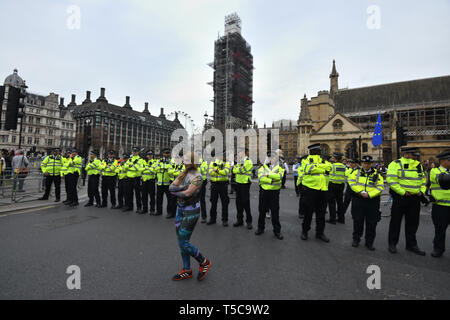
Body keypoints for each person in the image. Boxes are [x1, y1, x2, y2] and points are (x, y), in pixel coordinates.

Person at [169, 151, 212, 281]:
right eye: (184, 159)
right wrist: (182, 189)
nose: (185, 161)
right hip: (180, 209)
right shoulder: (184, 174)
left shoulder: (198, 177)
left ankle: (204, 262)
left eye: (187, 159)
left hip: (191, 211)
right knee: (181, 242)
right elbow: (171, 187)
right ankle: (187, 270)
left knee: (184, 242)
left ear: (194, 161)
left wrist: (179, 190)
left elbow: (187, 194)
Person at [387, 147, 426, 255]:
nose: (416, 157)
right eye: (414, 154)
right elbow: (391, 180)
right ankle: (392, 244)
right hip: (401, 197)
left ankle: (411, 245)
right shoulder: (395, 164)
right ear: (407, 154)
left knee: (413, 223)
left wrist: (421, 191)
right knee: (396, 222)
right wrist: (403, 192)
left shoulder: (418, 164)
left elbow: (423, 180)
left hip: (415, 198)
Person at [348, 155, 384, 250]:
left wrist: (370, 194)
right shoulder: (356, 172)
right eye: (364, 163)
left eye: (368, 163)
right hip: (359, 199)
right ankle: (356, 239)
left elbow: (380, 187)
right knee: (357, 221)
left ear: (371, 164)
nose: (366, 165)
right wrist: (361, 192)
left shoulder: (377, 174)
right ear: (361, 164)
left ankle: (369, 242)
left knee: (372, 223)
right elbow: (351, 183)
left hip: (372, 201)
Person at [299, 144, 332, 242]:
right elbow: (308, 169)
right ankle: (305, 231)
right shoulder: (305, 160)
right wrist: (322, 168)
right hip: (310, 189)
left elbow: (330, 168)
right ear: (313, 151)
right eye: (318, 151)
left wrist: (316, 167)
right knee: (308, 213)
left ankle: (320, 233)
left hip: (323, 189)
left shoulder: (323, 160)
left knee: (321, 213)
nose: (320, 152)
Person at [255, 151, 284, 239]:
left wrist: (267, 175)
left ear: (276, 158)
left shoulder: (280, 167)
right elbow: (260, 178)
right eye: (270, 157)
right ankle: (260, 228)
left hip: (274, 193)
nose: (271, 159)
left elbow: (279, 177)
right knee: (262, 211)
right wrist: (271, 179)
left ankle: (277, 231)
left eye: (273, 157)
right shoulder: (262, 167)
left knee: (275, 212)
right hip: (264, 192)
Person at [428, 150, 450, 258]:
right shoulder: (434, 171)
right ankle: (438, 249)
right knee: (440, 230)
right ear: (443, 161)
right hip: (441, 206)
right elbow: (443, 180)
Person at [207, 151, 230, 227]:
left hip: (223, 185)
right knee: (213, 202)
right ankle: (212, 219)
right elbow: (210, 172)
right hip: (214, 184)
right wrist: (220, 171)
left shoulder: (226, 162)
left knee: (224, 203)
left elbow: (226, 172)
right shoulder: (212, 162)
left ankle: (225, 220)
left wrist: (216, 170)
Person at [233, 148, 253, 229]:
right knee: (238, 202)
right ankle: (239, 220)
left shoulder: (248, 161)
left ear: (244, 153)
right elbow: (234, 170)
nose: (238, 154)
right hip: (238, 183)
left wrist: (237, 169)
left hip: (245, 184)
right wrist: (237, 169)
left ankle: (249, 221)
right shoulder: (240, 161)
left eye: (239, 152)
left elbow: (242, 170)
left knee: (246, 203)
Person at [153, 148, 176, 217]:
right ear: (163, 154)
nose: (166, 154)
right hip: (160, 182)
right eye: (165, 153)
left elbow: (171, 167)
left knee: (170, 199)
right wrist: (164, 166)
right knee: (159, 198)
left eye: (168, 153)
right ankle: (158, 211)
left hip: (168, 182)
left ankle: (169, 212)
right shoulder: (159, 160)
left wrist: (161, 166)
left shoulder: (172, 161)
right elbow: (155, 167)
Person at [123, 147, 145, 213]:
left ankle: (139, 208)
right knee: (129, 193)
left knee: (137, 194)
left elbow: (140, 168)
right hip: (129, 178)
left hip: (136, 178)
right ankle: (129, 206)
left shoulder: (141, 160)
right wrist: (132, 166)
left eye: (136, 151)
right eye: (133, 151)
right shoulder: (130, 159)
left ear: (138, 152)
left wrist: (131, 166)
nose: (134, 152)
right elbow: (124, 167)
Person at [326, 152, 347, 224]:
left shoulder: (332, 166)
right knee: (340, 202)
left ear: (335, 159)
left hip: (332, 185)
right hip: (341, 185)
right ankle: (341, 219)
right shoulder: (344, 166)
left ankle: (333, 219)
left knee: (332, 203)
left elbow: (326, 172)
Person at [196, 150, 209, 223]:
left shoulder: (204, 162)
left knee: (202, 200)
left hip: (202, 182)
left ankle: (204, 217)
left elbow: (201, 169)